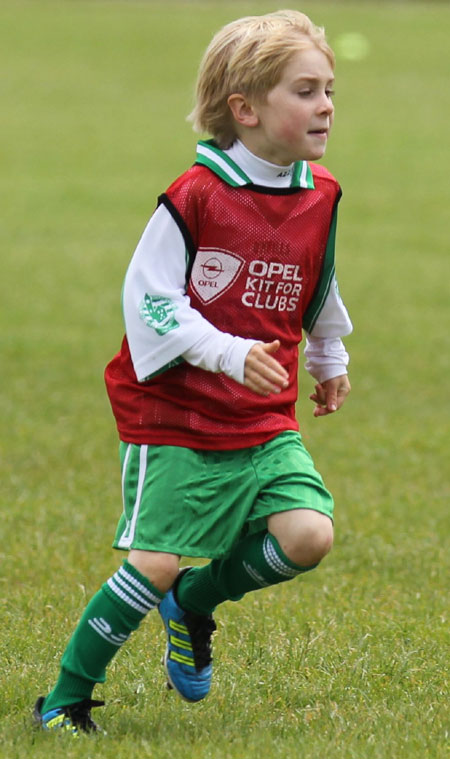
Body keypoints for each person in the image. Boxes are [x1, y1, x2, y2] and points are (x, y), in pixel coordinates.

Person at [34, 9, 353, 735]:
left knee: (308, 534)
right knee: (150, 564)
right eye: (305, 90)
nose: (326, 104)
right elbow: (147, 301)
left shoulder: (320, 193)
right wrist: (227, 351)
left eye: (329, 88)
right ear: (245, 108)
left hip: (261, 416)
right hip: (174, 417)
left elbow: (318, 278)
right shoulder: (197, 194)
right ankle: (65, 698)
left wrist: (330, 352)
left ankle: (196, 601)